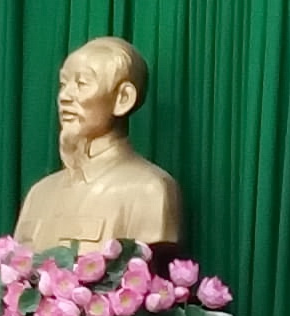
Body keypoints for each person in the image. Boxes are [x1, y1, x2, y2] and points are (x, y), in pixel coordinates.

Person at [14, 36, 182, 252]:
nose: (64, 96)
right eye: (63, 84)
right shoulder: (39, 194)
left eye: (82, 84)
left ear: (123, 98)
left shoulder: (150, 190)